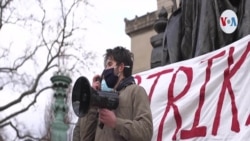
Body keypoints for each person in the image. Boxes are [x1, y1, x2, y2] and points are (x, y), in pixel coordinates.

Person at [72, 46, 153, 141]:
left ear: (121, 67)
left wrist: (115, 123)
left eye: (109, 64)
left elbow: (146, 131)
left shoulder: (135, 91)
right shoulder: (102, 99)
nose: (105, 70)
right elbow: (85, 137)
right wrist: (91, 101)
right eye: (105, 66)